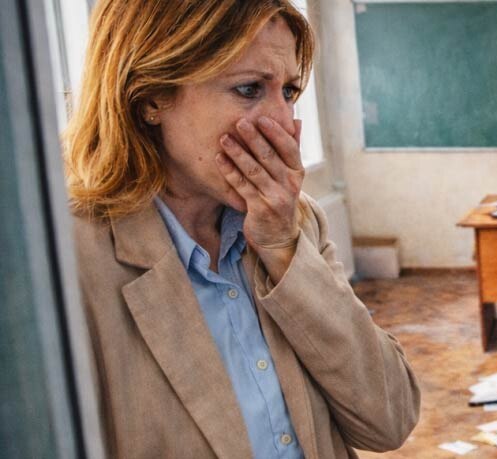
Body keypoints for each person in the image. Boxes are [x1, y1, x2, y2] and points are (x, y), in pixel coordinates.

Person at [64, 1, 420, 457]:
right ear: (151, 97)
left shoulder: (298, 221)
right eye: (249, 89)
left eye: (288, 91)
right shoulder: (67, 261)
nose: (285, 123)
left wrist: (284, 251)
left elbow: (390, 422)